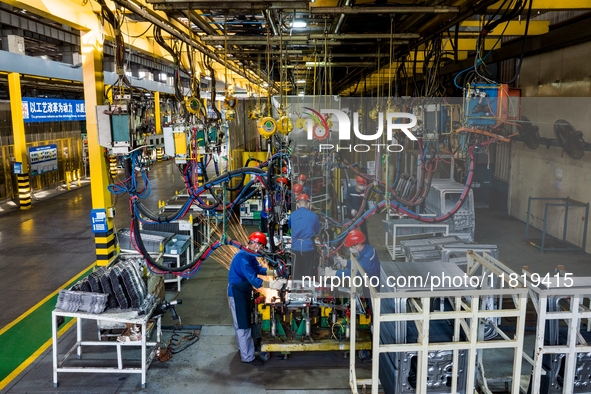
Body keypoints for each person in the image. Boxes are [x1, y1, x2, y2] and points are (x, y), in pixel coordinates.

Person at [228, 231, 287, 366]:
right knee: (243, 325)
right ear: (255, 244)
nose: (262, 250)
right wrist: (272, 284)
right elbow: (254, 281)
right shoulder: (242, 258)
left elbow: (258, 269)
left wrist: (274, 272)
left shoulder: (249, 255)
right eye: (262, 247)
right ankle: (247, 357)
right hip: (237, 293)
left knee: (243, 324)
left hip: (243, 291)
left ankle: (244, 349)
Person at [288, 193, 320, 280]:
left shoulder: (292, 215)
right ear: (308, 204)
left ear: (298, 204)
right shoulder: (314, 216)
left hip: (295, 247)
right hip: (308, 247)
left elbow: (290, 226)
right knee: (309, 271)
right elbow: (317, 230)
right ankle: (308, 290)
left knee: (296, 272)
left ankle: (296, 290)